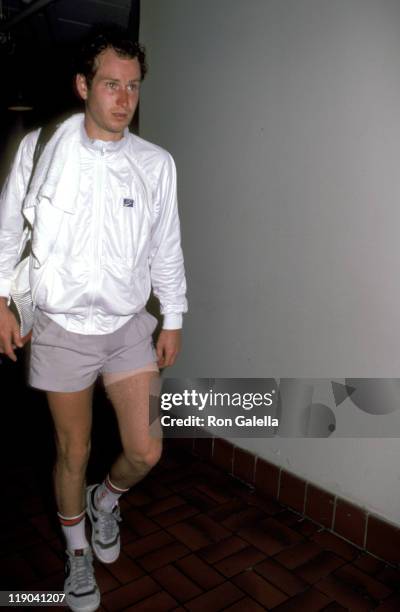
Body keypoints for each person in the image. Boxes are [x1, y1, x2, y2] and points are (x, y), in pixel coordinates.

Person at [0, 25, 187, 612]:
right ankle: (77, 550)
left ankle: (106, 500)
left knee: (146, 449)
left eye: (132, 86)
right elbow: (8, 232)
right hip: (59, 329)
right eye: (111, 84)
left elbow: (166, 247)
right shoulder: (40, 148)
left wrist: (173, 315)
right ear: (84, 86)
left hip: (128, 326)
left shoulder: (155, 164)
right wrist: (2, 300)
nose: (124, 99)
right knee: (71, 450)